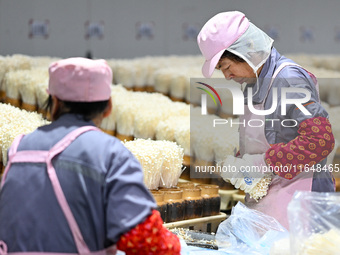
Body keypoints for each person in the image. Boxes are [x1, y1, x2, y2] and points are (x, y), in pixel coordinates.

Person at [0, 57, 180, 254]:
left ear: (55, 103)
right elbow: (144, 239)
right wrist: (179, 246)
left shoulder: (19, 147)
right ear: (109, 107)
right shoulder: (111, 154)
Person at [197, 11, 335, 229]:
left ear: (246, 49)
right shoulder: (254, 83)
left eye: (226, 67)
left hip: (300, 203)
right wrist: (241, 161)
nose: (227, 76)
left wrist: (263, 163)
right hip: (272, 200)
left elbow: (320, 140)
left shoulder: (288, 80)